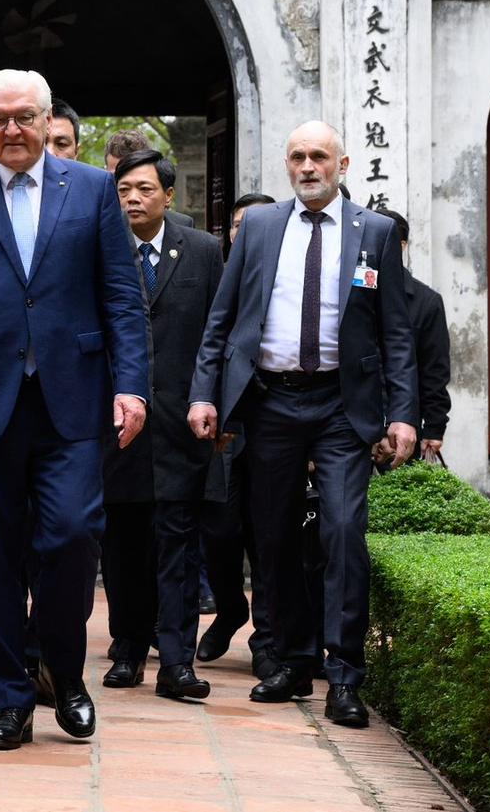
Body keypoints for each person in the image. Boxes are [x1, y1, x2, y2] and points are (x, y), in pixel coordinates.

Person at [0, 68, 149, 751]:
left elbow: (121, 299)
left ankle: (64, 675)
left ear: (48, 121)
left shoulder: (96, 190)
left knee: (72, 535)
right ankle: (10, 695)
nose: (12, 130)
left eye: (24, 116)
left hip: (71, 401)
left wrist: (131, 386)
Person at [188, 121, 419, 729]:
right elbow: (223, 318)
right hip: (269, 403)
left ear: (342, 164)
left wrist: (404, 414)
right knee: (274, 538)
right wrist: (204, 395)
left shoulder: (375, 232)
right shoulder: (260, 228)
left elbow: (396, 334)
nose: (308, 166)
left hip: (343, 407)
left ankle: (344, 675)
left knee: (341, 531)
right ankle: (291, 661)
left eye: (319, 156)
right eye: (297, 157)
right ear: (286, 165)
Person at [114, 150, 224, 700]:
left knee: (179, 543)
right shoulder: (102, 250)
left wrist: (212, 402)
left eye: (144, 190)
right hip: (117, 426)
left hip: (184, 424)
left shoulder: (203, 251)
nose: (133, 199)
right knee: (125, 544)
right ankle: (128, 649)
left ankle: (177, 662)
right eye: (124, 190)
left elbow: (218, 334)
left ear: (167, 195)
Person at [197, 190, 278, 679]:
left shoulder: (290, 273)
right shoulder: (213, 268)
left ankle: (266, 637)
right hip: (225, 424)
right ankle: (230, 608)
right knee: (219, 529)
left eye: (255, 223)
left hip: (274, 419)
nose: (244, 231)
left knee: (268, 533)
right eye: (237, 225)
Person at [379, 210, 451, 459]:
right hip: (349, 427)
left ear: (401, 246)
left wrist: (434, 426)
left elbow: (434, 370)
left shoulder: (426, 302)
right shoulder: (351, 295)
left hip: (404, 426)